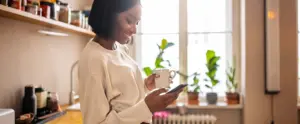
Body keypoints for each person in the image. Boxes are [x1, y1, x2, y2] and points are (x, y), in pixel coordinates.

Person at [77, 0, 183, 124]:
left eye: (137, 23)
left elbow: (123, 100)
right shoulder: (93, 59)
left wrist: (145, 86)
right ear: (108, 15)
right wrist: (147, 108)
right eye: (129, 21)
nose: (134, 30)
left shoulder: (120, 48)